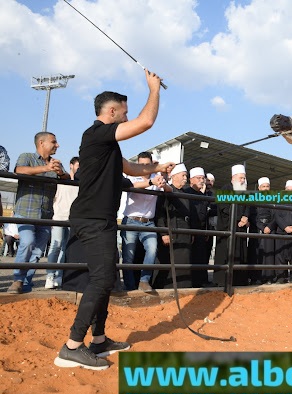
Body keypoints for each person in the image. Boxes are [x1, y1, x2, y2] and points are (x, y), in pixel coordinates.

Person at [54, 70, 174, 371]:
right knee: (103, 279)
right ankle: (71, 346)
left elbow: (131, 169)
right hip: (92, 219)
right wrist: (154, 89)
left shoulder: (107, 144)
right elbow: (146, 122)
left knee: (105, 280)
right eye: (124, 111)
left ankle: (99, 339)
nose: (128, 116)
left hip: (102, 219)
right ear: (111, 112)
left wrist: (158, 166)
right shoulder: (96, 134)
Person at [7, 132, 68, 294]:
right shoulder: (26, 156)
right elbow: (19, 170)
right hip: (25, 212)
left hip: (46, 215)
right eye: (54, 142)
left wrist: (60, 173)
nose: (58, 145)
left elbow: (68, 179)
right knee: (27, 242)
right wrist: (46, 168)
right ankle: (17, 279)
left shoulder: (55, 164)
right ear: (41, 143)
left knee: (38, 251)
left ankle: (26, 282)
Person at [120, 151, 172, 292]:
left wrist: (163, 185)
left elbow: (170, 189)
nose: (143, 167)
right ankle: (129, 287)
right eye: (141, 165)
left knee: (152, 249)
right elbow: (130, 186)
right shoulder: (131, 176)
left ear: (151, 165)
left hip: (148, 222)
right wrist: (150, 182)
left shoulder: (157, 177)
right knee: (128, 256)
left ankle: (144, 281)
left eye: (146, 165)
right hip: (131, 220)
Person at [154, 163, 195, 289]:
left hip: (184, 233)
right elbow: (159, 213)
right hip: (172, 233)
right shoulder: (167, 191)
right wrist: (163, 233)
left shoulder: (185, 193)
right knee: (169, 263)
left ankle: (183, 289)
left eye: (186, 176)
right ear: (175, 176)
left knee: (184, 264)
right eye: (183, 175)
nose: (185, 178)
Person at [45, 156, 80, 289]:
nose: (79, 168)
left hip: (72, 219)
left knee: (67, 247)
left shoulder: (80, 182)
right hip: (59, 216)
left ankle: (60, 275)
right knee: (56, 245)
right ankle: (50, 275)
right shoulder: (62, 179)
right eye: (78, 165)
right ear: (71, 165)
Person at [214, 164, 251, 287]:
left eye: (244, 178)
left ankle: (240, 281)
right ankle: (222, 281)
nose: (243, 180)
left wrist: (245, 217)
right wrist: (239, 218)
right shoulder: (225, 189)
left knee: (241, 254)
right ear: (234, 177)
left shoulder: (244, 191)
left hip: (240, 228)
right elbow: (225, 208)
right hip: (227, 227)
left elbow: (248, 206)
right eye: (241, 178)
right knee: (226, 254)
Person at [185, 166, 213, 287]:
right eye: (199, 178)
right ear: (191, 180)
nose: (202, 180)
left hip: (202, 231)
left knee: (202, 257)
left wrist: (206, 231)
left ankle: (201, 281)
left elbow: (205, 215)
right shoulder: (186, 193)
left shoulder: (205, 195)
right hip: (191, 230)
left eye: (203, 178)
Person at [249, 177, 276, 284]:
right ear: (259, 188)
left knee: (269, 253)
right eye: (263, 186)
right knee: (255, 253)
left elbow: (275, 215)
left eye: (267, 186)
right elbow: (251, 214)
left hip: (269, 229)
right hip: (256, 228)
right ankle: (255, 277)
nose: (265, 188)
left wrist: (269, 226)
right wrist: (261, 226)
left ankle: (268, 277)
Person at [274, 180, 292, 284]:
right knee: (280, 257)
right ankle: (281, 277)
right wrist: (285, 227)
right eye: (288, 190)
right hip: (282, 233)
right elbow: (277, 215)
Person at [205, 173, 217, 264]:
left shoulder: (213, 195)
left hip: (209, 227)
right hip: (198, 226)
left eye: (212, 181)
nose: (210, 183)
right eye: (208, 180)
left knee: (207, 251)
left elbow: (216, 210)